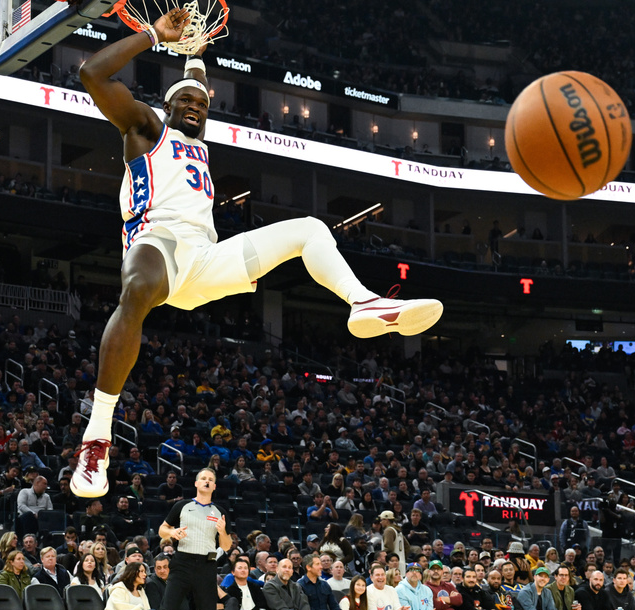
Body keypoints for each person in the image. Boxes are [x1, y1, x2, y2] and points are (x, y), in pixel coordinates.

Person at [68, 8, 442, 499]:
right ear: (167, 104)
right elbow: (91, 73)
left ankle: (364, 302)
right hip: (155, 245)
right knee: (136, 289)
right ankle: (97, 437)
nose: (196, 107)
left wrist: (196, 56)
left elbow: (197, 73)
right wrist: (155, 36)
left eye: (201, 104)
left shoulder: (199, 139)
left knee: (309, 229)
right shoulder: (144, 128)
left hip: (204, 259)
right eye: (185, 101)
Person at [138, 468, 232, 610]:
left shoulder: (220, 511)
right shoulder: (182, 506)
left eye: (211, 480)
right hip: (182, 563)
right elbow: (163, 528)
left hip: (207, 565)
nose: (207, 482)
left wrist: (223, 531)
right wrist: (172, 532)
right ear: (197, 484)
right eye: (203, 479)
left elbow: (226, 546)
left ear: (214, 486)